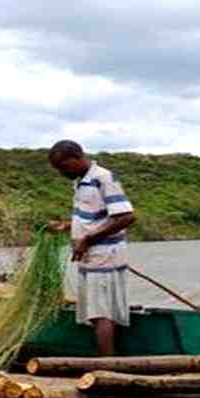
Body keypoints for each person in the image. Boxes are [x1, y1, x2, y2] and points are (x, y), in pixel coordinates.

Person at [47, 140, 136, 356]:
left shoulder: (102, 178)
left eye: (64, 167)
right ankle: (108, 361)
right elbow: (96, 217)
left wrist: (88, 240)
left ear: (77, 158)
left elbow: (126, 216)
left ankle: (107, 366)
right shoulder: (81, 182)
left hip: (105, 257)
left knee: (100, 313)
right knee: (98, 312)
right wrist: (67, 226)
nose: (62, 173)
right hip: (92, 257)